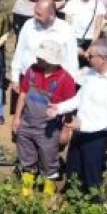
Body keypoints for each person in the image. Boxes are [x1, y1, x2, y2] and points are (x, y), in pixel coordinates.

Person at [51, 43, 107, 194]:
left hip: (96, 137)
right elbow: (78, 100)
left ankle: (93, 208)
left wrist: (83, 125)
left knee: (91, 176)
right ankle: (70, 203)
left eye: (91, 55)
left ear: (103, 59)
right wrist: (58, 108)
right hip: (79, 131)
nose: (87, 57)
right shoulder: (91, 74)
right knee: (73, 171)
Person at [13, 36, 77, 197]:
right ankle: (28, 184)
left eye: (41, 57)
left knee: (49, 158)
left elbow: (69, 109)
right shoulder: (32, 70)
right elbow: (23, 94)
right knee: (26, 154)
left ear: (50, 60)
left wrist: (65, 130)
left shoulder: (66, 79)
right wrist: (16, 117)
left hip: (49, 128)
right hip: (27, 122)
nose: (37, 58)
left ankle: (48, 189)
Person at [11, 0, 79, 89]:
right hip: (27, 79)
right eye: (35, 12)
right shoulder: (29, 25)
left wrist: (71, 83)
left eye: (39, 14)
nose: (34, 16)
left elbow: (72, 61)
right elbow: (19, 52)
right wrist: (15, 78)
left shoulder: (66, 30)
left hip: (54, 83)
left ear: (51, 15)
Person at [63, 0, 105, 66]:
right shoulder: (71, 4)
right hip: (74, 41)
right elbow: (67, 26)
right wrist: (75, 47)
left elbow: (98, 27)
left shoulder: (98, 4)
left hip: (91, 41)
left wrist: (91, 47)